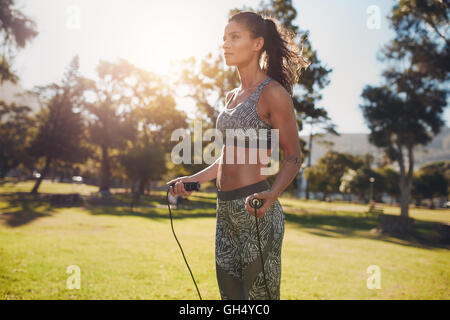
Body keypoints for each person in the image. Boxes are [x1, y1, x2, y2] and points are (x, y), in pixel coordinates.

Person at [167, 10, 309, 300]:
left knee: (260, 301)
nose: (225, 44)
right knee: (230, 299)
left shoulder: (272, 93)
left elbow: (293, 156)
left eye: (234, 37)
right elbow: (227, 158)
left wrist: (272, 196)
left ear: (257, 44)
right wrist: (193, 179)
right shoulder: (231, 97)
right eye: (224, 39)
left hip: (256, 209)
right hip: (225, 212)